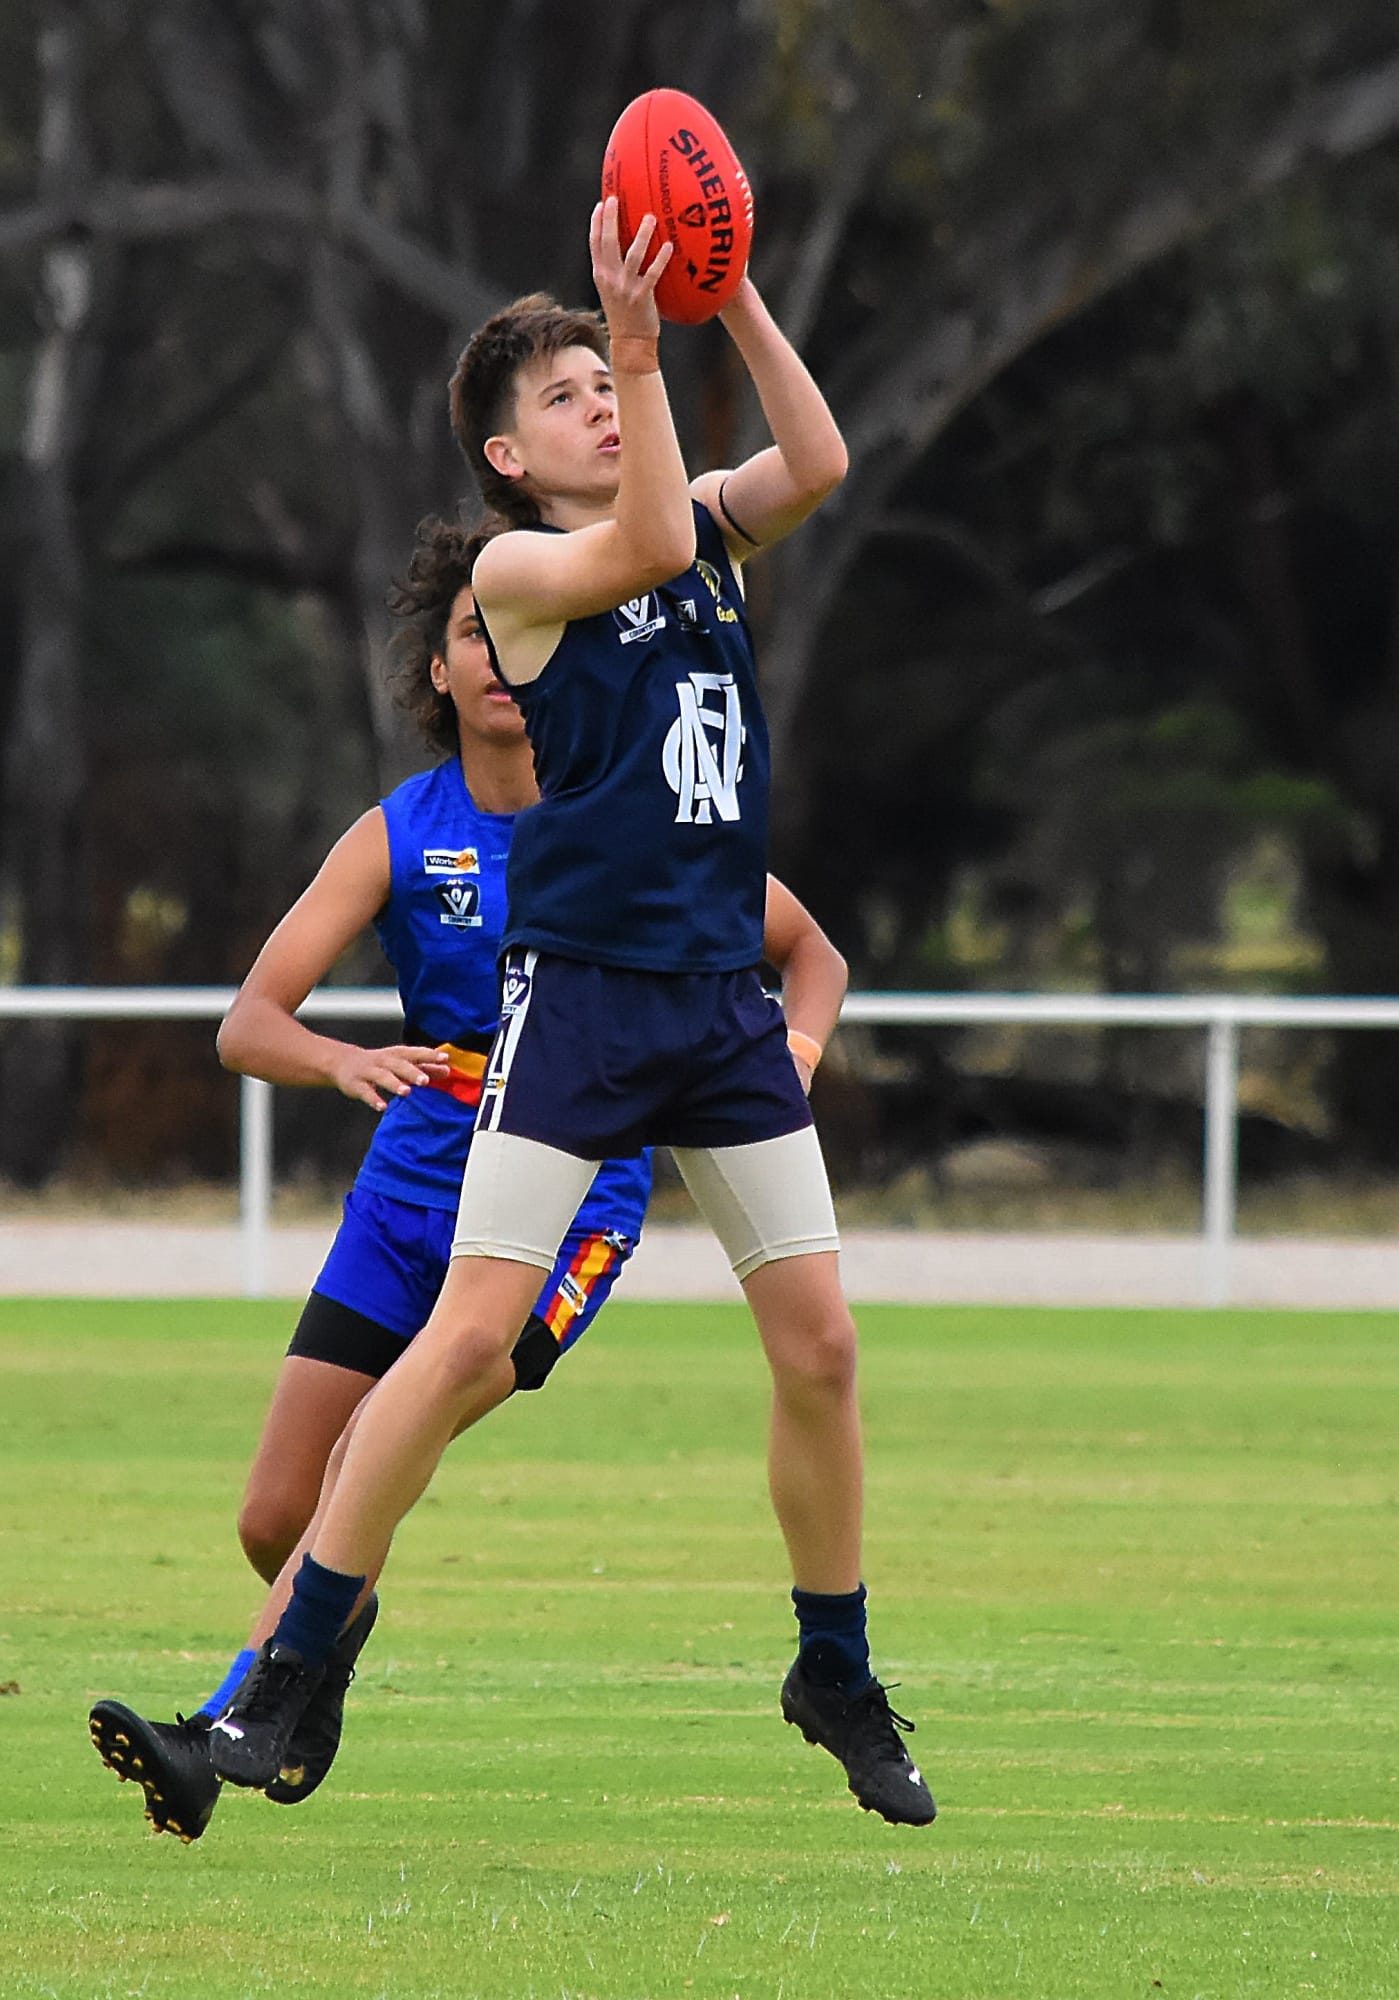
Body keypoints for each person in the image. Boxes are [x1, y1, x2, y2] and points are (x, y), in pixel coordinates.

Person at [205, 197, 935, 1828]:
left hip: (720, 1006)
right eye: (564, 397)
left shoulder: (699, 525)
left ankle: (834, 1666)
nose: (599, 401)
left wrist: (731, 293)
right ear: (509, 460)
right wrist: (645, 339)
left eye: (604, 384)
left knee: (822, 1349)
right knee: (467, 1336)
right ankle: (291, 1674)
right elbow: (654, 541)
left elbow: (816, 461)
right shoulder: (524, 572)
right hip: (585, 1004)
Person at [86, 512, 849, 1841]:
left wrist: (791, 1055)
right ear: (438, 672)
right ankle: (319, 1667)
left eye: (513, 631)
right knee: (277, 1511)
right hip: (407, 1201)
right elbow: (247, 1023)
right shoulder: (401, 833)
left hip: (568, 1209)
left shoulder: (623, 818)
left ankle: (218, 1733)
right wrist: (342, 1061)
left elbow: (811, 954)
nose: (498, 654)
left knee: (356, 1468)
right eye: (470, 636)